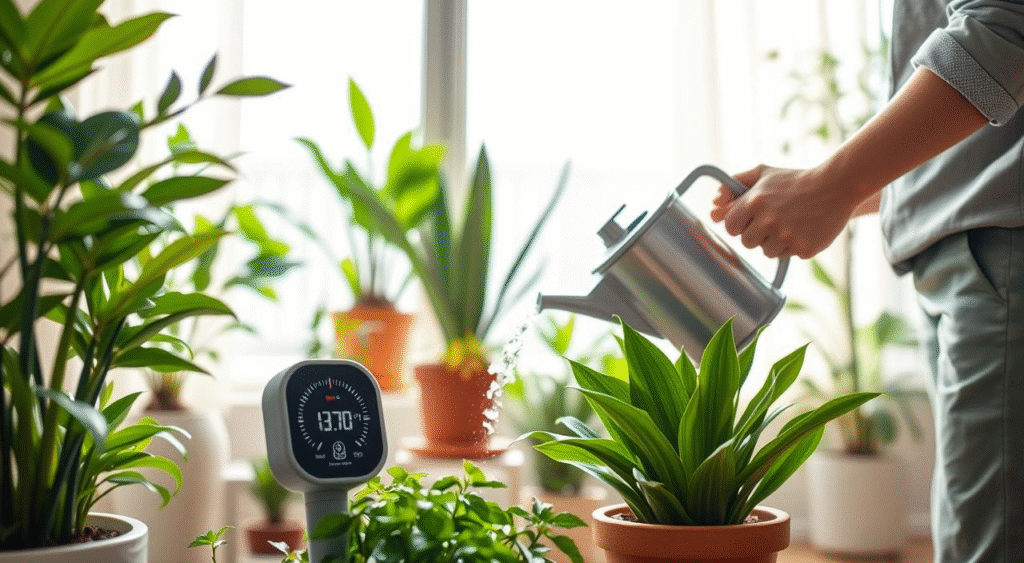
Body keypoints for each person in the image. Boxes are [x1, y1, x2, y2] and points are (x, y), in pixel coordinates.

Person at [710, 2, 1024, 562]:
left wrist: (830, 185)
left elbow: (1003, 31)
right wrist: (829, 188)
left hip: (997, 250)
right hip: (970, 254)